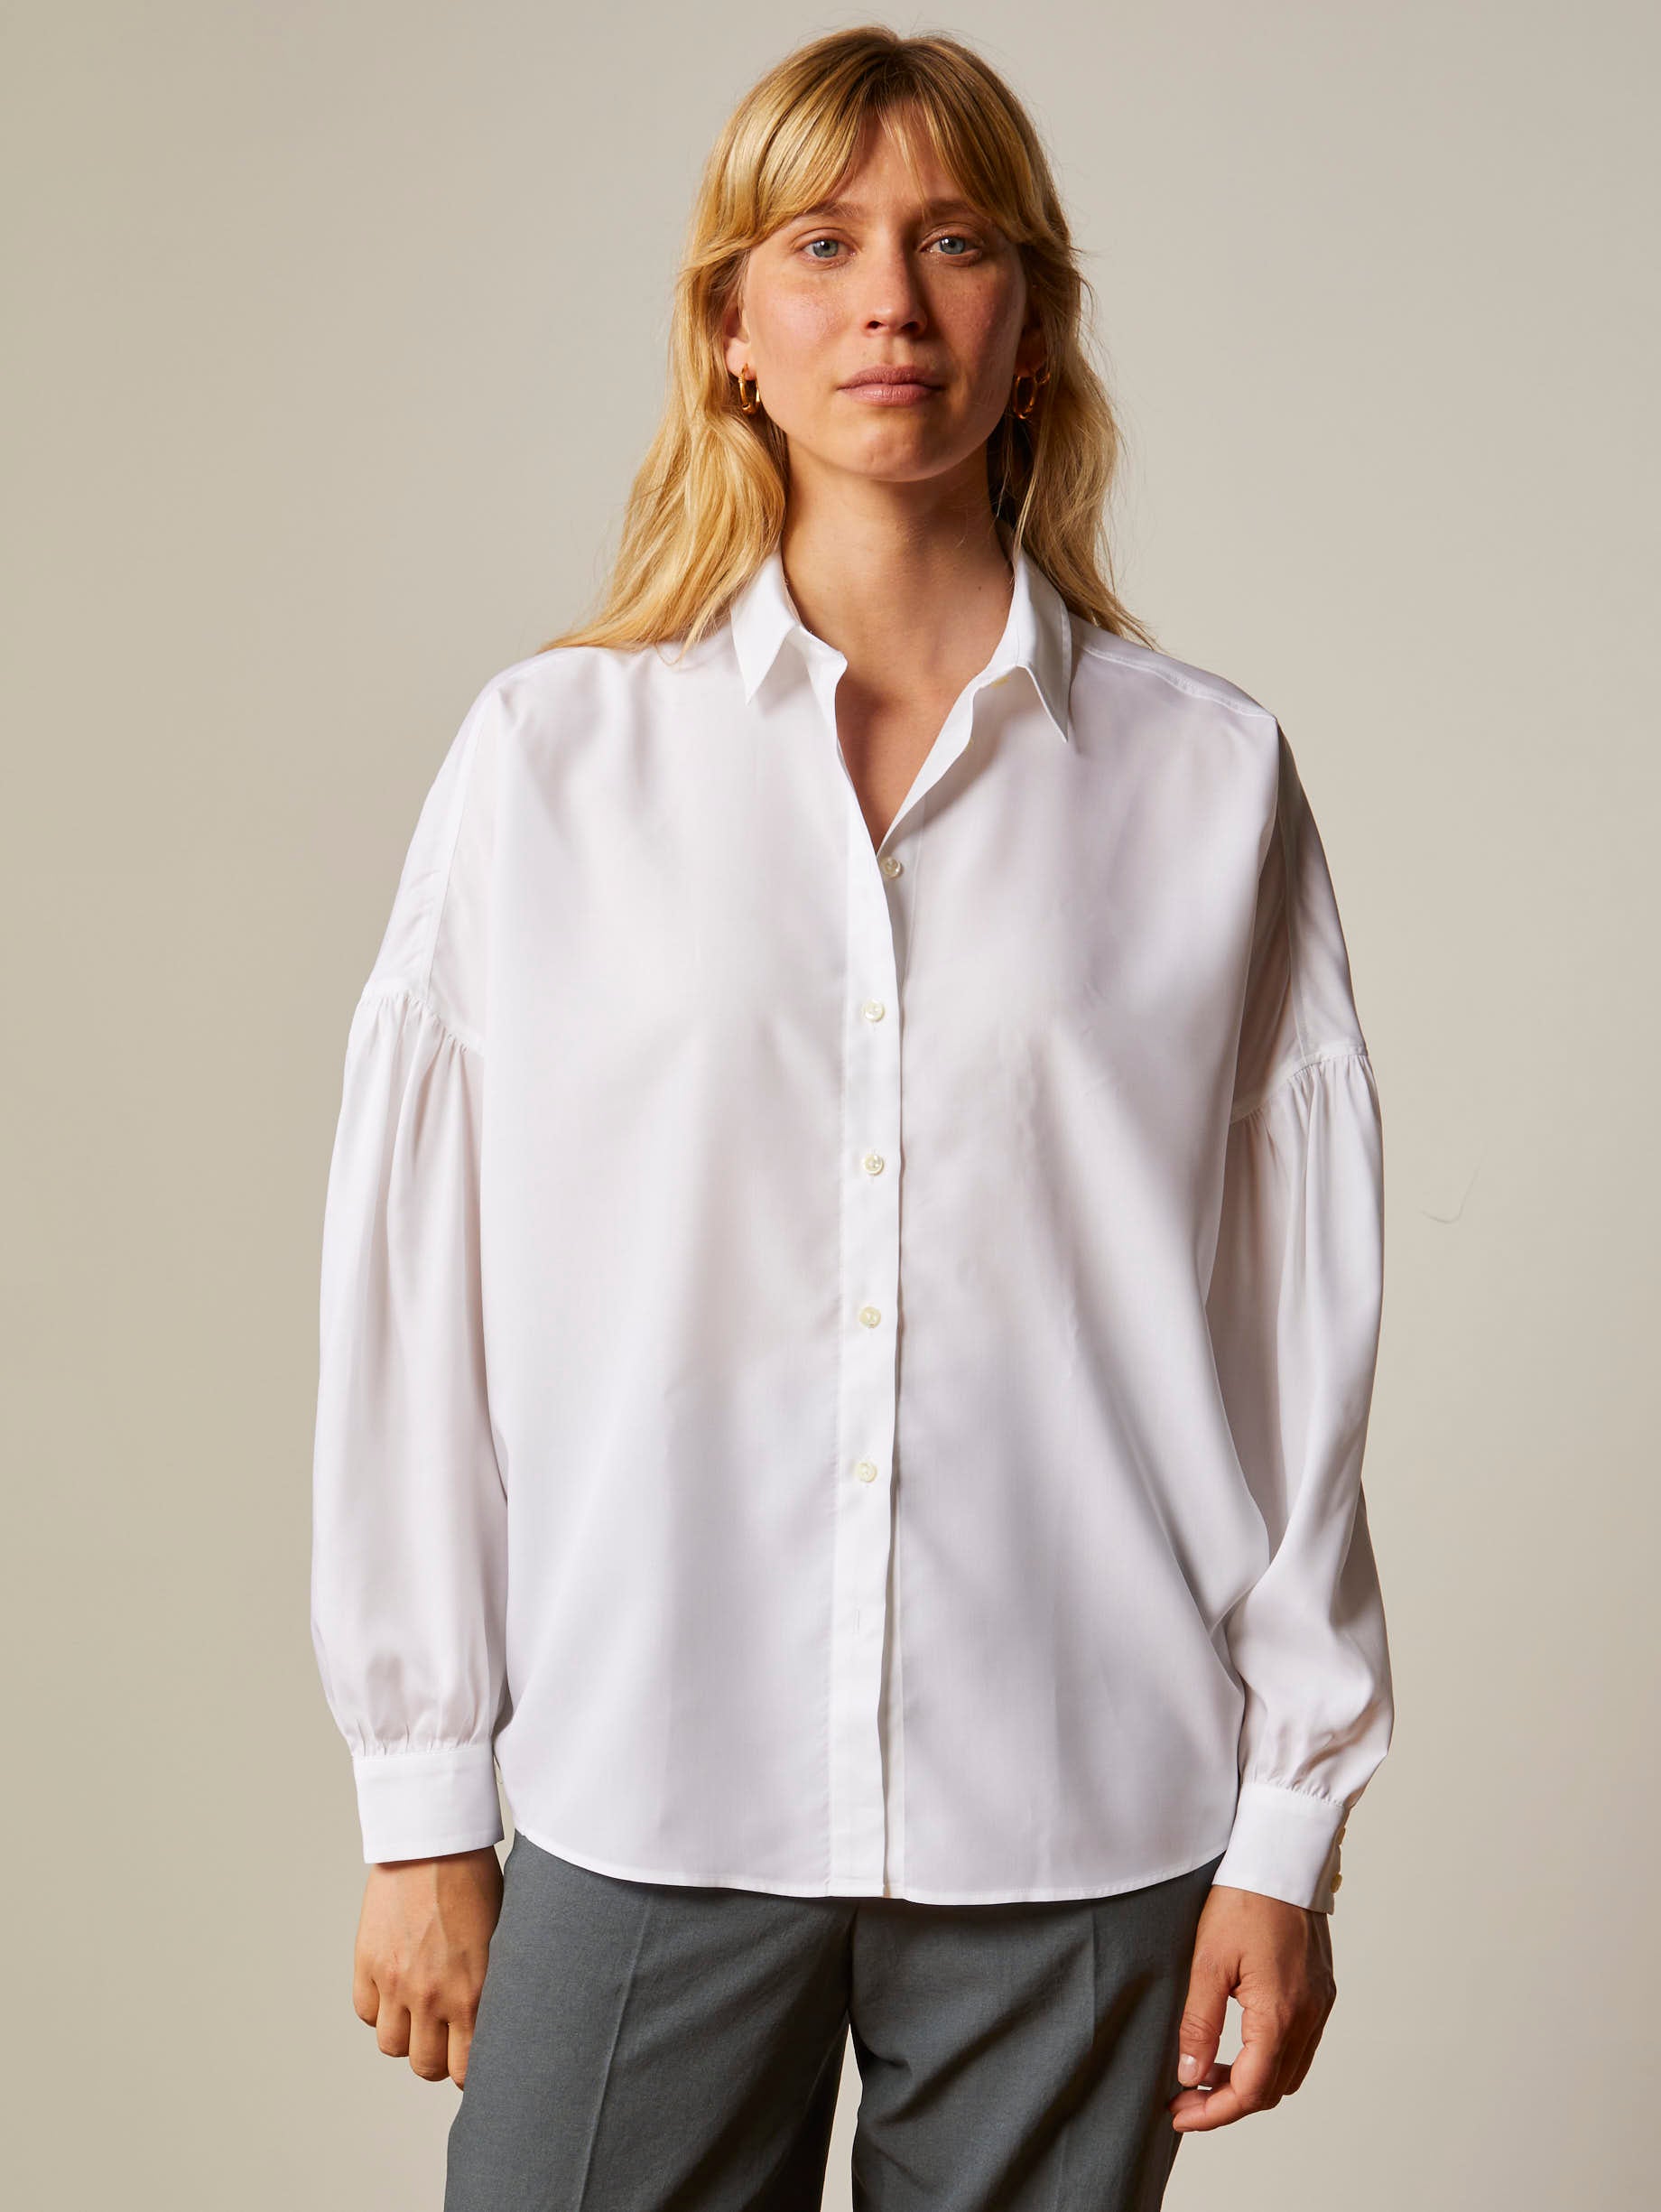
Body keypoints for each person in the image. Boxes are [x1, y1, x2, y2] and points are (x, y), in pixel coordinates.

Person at [309, 25, 1394, 2211]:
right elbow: (417, 1293)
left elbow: (1296, 1342)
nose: (890, 299)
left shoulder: (1209, 785)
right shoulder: (548, 768)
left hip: (1081, 1808)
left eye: (955, 242)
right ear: (732, 324)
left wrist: (1291, 1821)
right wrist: (421, 1792)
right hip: (650, 1771)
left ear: (1034, 324)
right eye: (821, 244)